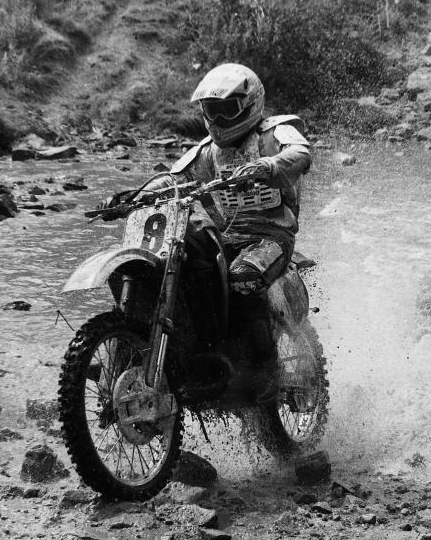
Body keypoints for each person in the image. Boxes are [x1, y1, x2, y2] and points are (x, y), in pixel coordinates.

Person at [111, 63, 312, 401]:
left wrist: (268, 165)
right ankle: (200, 355)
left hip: (269, 237)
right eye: (211, 111)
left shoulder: (273, 133)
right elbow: (173, 180)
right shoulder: (206, 151)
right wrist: (138, 196)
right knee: (183, 266)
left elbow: (301, 153)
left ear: (250, 105)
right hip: (223, 237)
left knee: (243, 278)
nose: (218, 120)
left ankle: (265, 370)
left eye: (227, 110)